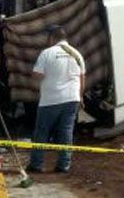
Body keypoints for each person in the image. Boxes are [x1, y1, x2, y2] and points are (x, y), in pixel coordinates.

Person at [27, 25, 85, 174]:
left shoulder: (47, 53)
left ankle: (37, 164)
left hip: (51, 99)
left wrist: (34, 74)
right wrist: (80, 96)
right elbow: (82, 77)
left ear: (52, 38)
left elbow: (37, 74)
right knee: (66, 131)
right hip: (72, 98)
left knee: (42, 131)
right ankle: (64, 165)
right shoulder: (76, 54)